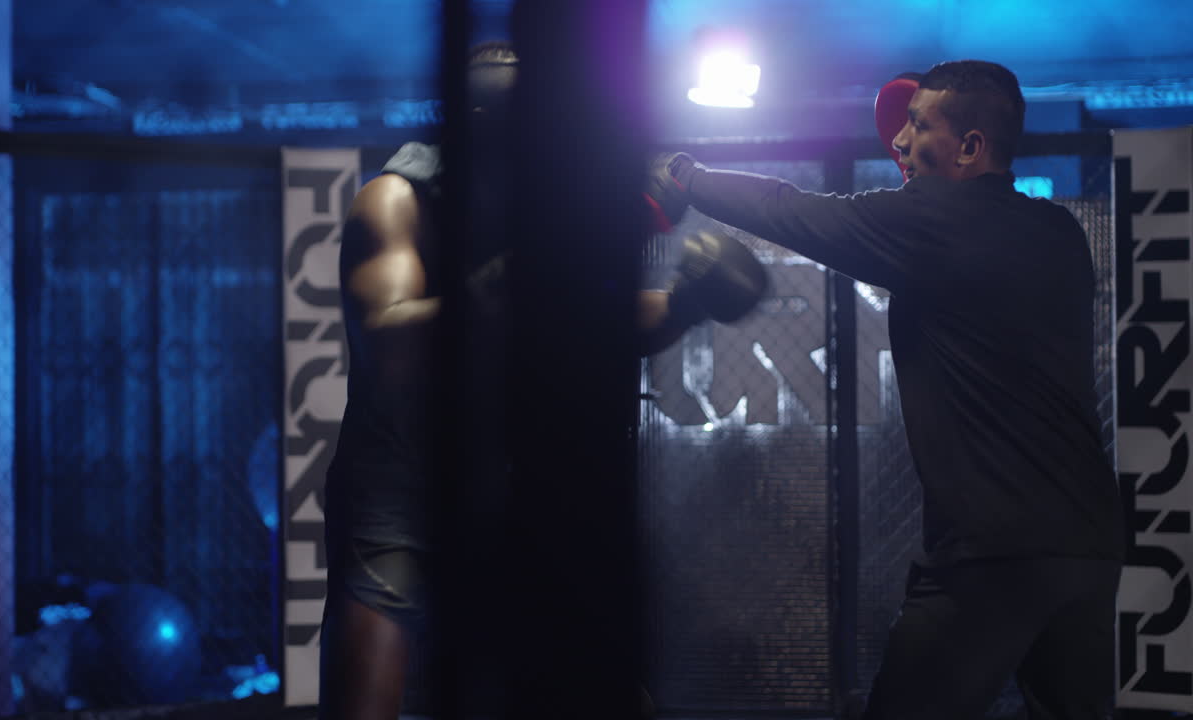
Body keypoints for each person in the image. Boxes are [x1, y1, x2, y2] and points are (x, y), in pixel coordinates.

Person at [648, 60, 1124, 719]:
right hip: (1087, 547)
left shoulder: (933, 221)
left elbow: (791, 211)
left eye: (919, 125)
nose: (899, 140)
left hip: (990, 553)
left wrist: (686, 174)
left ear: (970, 147)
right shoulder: (1059, 233)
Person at [319, 41, 768, 720]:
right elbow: (389, 344)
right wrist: (522, 275)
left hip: (515, 481)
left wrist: (685, 304)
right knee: (365, 702)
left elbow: (596, 320)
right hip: (401, 481)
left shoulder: (546, 201)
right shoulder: (395, 200)